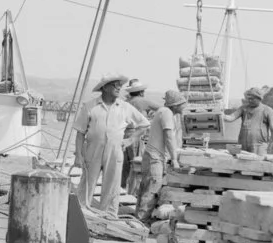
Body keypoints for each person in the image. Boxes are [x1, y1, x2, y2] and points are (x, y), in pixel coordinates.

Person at [73, 73, 139, 218]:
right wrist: (78, 155)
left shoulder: (125, 107)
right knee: (88, 182)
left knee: (113, 184)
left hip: (115, 151)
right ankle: (82, 213)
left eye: (120, 86)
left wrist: (129, 141)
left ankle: (108, 216)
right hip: (92, 149)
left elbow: (144, 125)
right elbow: (80, 133)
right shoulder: (90, 106)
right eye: (115, 85)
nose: (119, 88)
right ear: (105, 88)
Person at [136, 89, 187, 222]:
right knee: (152, 189)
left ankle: (139, 219)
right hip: (155, 157)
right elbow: (168, 136)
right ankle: (141, 221)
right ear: (175, 105)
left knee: (147, 188)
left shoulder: (166, 112)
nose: (184, 106)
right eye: (182, 104)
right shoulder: (166, 113)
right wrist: (174, 159)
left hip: (154, 156)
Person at [224, 87, 273, 155]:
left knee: (258, 164)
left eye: (252, 99)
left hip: (259, 146)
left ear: (259, 98)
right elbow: (231, 117)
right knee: (242, 164)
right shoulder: (244, 108)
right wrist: (222, 116)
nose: (249, 101)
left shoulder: (267, 110)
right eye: (248, 99)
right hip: (243, 145)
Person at [121, 79, 152, 195]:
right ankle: (132, 193)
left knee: (124, 166)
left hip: (124, 134)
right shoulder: (142, 101)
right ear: (141, 92)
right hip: (135, 134)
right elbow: (162, 109)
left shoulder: (126, 102)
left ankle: (121, 189)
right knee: (136, 164)